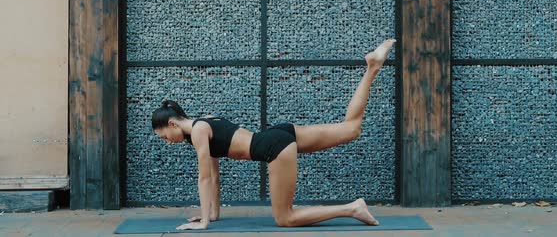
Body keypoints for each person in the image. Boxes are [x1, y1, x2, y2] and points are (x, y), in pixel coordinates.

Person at [151, 39, 396, 230]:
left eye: (163, 137)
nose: (167, 142)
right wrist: (212, 214)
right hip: (278, 134)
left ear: (172, 124)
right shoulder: (205, 121)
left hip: (273, 147)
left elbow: (204, 178)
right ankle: (373, 67)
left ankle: (352, 208)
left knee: (285, 218)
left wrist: (203, 223)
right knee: (350, 128)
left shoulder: (197, 132)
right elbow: (214, 175)